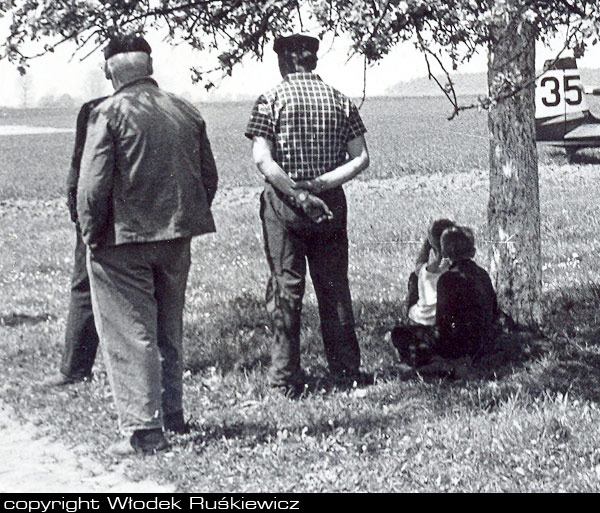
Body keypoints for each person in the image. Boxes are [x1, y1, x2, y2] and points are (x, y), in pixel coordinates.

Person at [77, 35, 218, 456]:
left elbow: (92, 187)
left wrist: (90, 233)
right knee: (167, 328)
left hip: (123, 241)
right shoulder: (185, 110)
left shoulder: (107, 113)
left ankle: (144, 430)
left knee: (130, 333)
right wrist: (183, 218)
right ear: (149, 66)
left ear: (109, 71)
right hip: (176, 238)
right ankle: (172, 414)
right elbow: (207, 178)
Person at [244, 34, 371, 397]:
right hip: (329, 202)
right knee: (334, 288)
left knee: (286, 288)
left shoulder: (270, 100)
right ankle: (346, 372)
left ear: (284, 60)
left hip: (285, 202)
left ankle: (285, 378)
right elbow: (361, 158)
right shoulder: (339, 100)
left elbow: (262, 159)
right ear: (314, 60)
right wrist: (319, 184)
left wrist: (297, 191)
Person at [43, 95, 107, 388]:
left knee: (84, 286)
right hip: (144, 216)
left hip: (98, 212)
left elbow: (77, 167)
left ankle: (75, 368)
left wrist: (78, 213)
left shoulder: (95, 109)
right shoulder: (166, 108)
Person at [390, 226, 497, 368]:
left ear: (446, 252)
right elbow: (494, 308)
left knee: (398, 333)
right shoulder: (482, 274)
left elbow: (443, 323)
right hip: (483, 340)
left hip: (457, 345)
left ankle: (430, 361)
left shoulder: (448, 279)